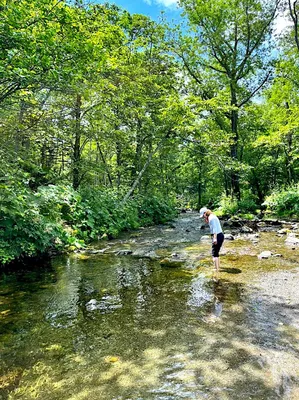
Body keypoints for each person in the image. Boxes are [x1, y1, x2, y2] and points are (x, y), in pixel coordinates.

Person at [199, 207, 224, 272]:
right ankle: (218, 267)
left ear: (205, 213)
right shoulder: (212, 216)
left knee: (214, 254)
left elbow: (214, 229)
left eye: (203, 216)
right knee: (216, 253)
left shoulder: (211, 218)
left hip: (217, 236)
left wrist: (215, 239)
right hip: (220, 235)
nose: (203, 217)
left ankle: (216, 269)